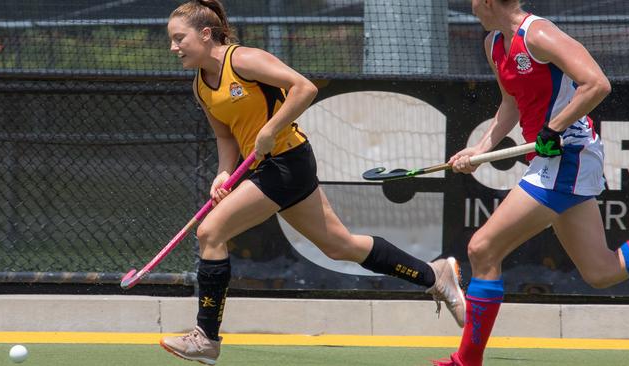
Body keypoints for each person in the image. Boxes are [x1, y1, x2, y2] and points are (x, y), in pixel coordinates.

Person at [159, 1, 465, 364]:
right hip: (264, 167)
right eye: (172, 41)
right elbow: (226, 137)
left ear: (206, 34)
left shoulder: (242, 61)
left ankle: (206, 337)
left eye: (180, 38)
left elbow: (303, 88)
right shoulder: (200, 86)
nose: (174, 47)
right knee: (340, 245)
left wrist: (271, 129)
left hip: (286, 162)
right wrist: (224, 172)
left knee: (210, 233)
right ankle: (435, 274)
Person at [432, 1, 629, 365]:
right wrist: (478, 150)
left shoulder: (538, 34)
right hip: (549, 158)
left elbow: (597, 84)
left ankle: (466, 360)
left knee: (482, 249)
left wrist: (554, 128)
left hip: (569, 155)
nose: (469, 4)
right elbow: (510, 104)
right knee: (601, 271)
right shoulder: (494, 43)